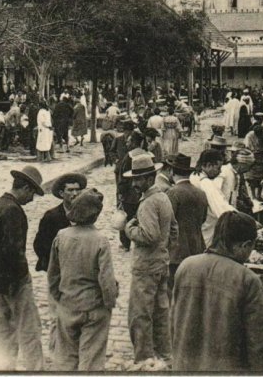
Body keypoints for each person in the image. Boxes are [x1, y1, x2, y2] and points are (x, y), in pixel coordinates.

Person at [172, 211, 263, 372]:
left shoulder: (186, 266)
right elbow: (259, 344)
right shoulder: (248, 280)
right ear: (245, 245)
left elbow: (175, 322)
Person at [0, 165, 45, 371]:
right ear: (25, 188)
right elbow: (14, 250)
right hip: (15, 280)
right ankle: (36, 369)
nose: (32, 199)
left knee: (3, 327)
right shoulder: (14, 210)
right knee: (29, 327)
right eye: (32, 194)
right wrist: (21, 277)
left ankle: (4, 368)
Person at [48, 189, 118, 371]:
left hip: (68, 305)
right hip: (93, 308)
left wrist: (59, 298)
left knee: (65, 358)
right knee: (91, 360)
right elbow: (106, 280)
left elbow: (53, 274)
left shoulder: (61, 236)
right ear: (95, 215)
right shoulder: (100, 240)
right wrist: (109, 303)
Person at [124, 154, 177, 368]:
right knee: (161, 311)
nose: (135, 184)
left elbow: (149, 236)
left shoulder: (147, 203)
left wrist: (129, 229)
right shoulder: (164, 197)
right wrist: (165, 252)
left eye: (139, 179)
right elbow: (174, 230)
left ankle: (143, 359)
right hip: (161, 263)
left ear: (150, 178)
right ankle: (165, 356)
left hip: (145, 267)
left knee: (140, 314)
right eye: (134, 179)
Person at [33, 173, 86, 351]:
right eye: (70, 190)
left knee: (76, 313)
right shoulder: (52, 217)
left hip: (78, 275)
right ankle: (56, 349)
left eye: (78, 190)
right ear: (62, 193)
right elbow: (39, 245)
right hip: (58, 274)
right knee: (57, 313)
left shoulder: (86, 215)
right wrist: (53, 267)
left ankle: (73, 347)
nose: (75, 194)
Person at [164, 154, 208, 289]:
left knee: (175, 290)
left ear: (172, 172)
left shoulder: (172, 193)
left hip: (177, 251)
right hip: (197, 248)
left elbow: (167, 222)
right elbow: (204, 219)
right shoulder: (201, 193)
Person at [190, 149, 236, 246]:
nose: (219, 172)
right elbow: (221, 207)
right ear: (208, 165)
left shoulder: (193, 176)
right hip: (206, 228)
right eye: (218, 168)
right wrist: (240, 219)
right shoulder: (206, 183)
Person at [216, 147, 255, 215]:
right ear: (242, 165)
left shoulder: (237, 175)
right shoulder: (223, 172)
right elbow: (216, 197)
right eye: (248, 167)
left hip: (229, 212)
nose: (248, 170)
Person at [244, 124, 263, 200]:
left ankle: (259, 195)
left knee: (262, 178)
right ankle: (253, 195)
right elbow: (247, 147)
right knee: (252, 179)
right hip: (252, 158)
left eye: (260, 134)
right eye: (257, 134)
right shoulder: (249, 136)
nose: (259, 136)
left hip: (262, 158)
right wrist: (252, 153)